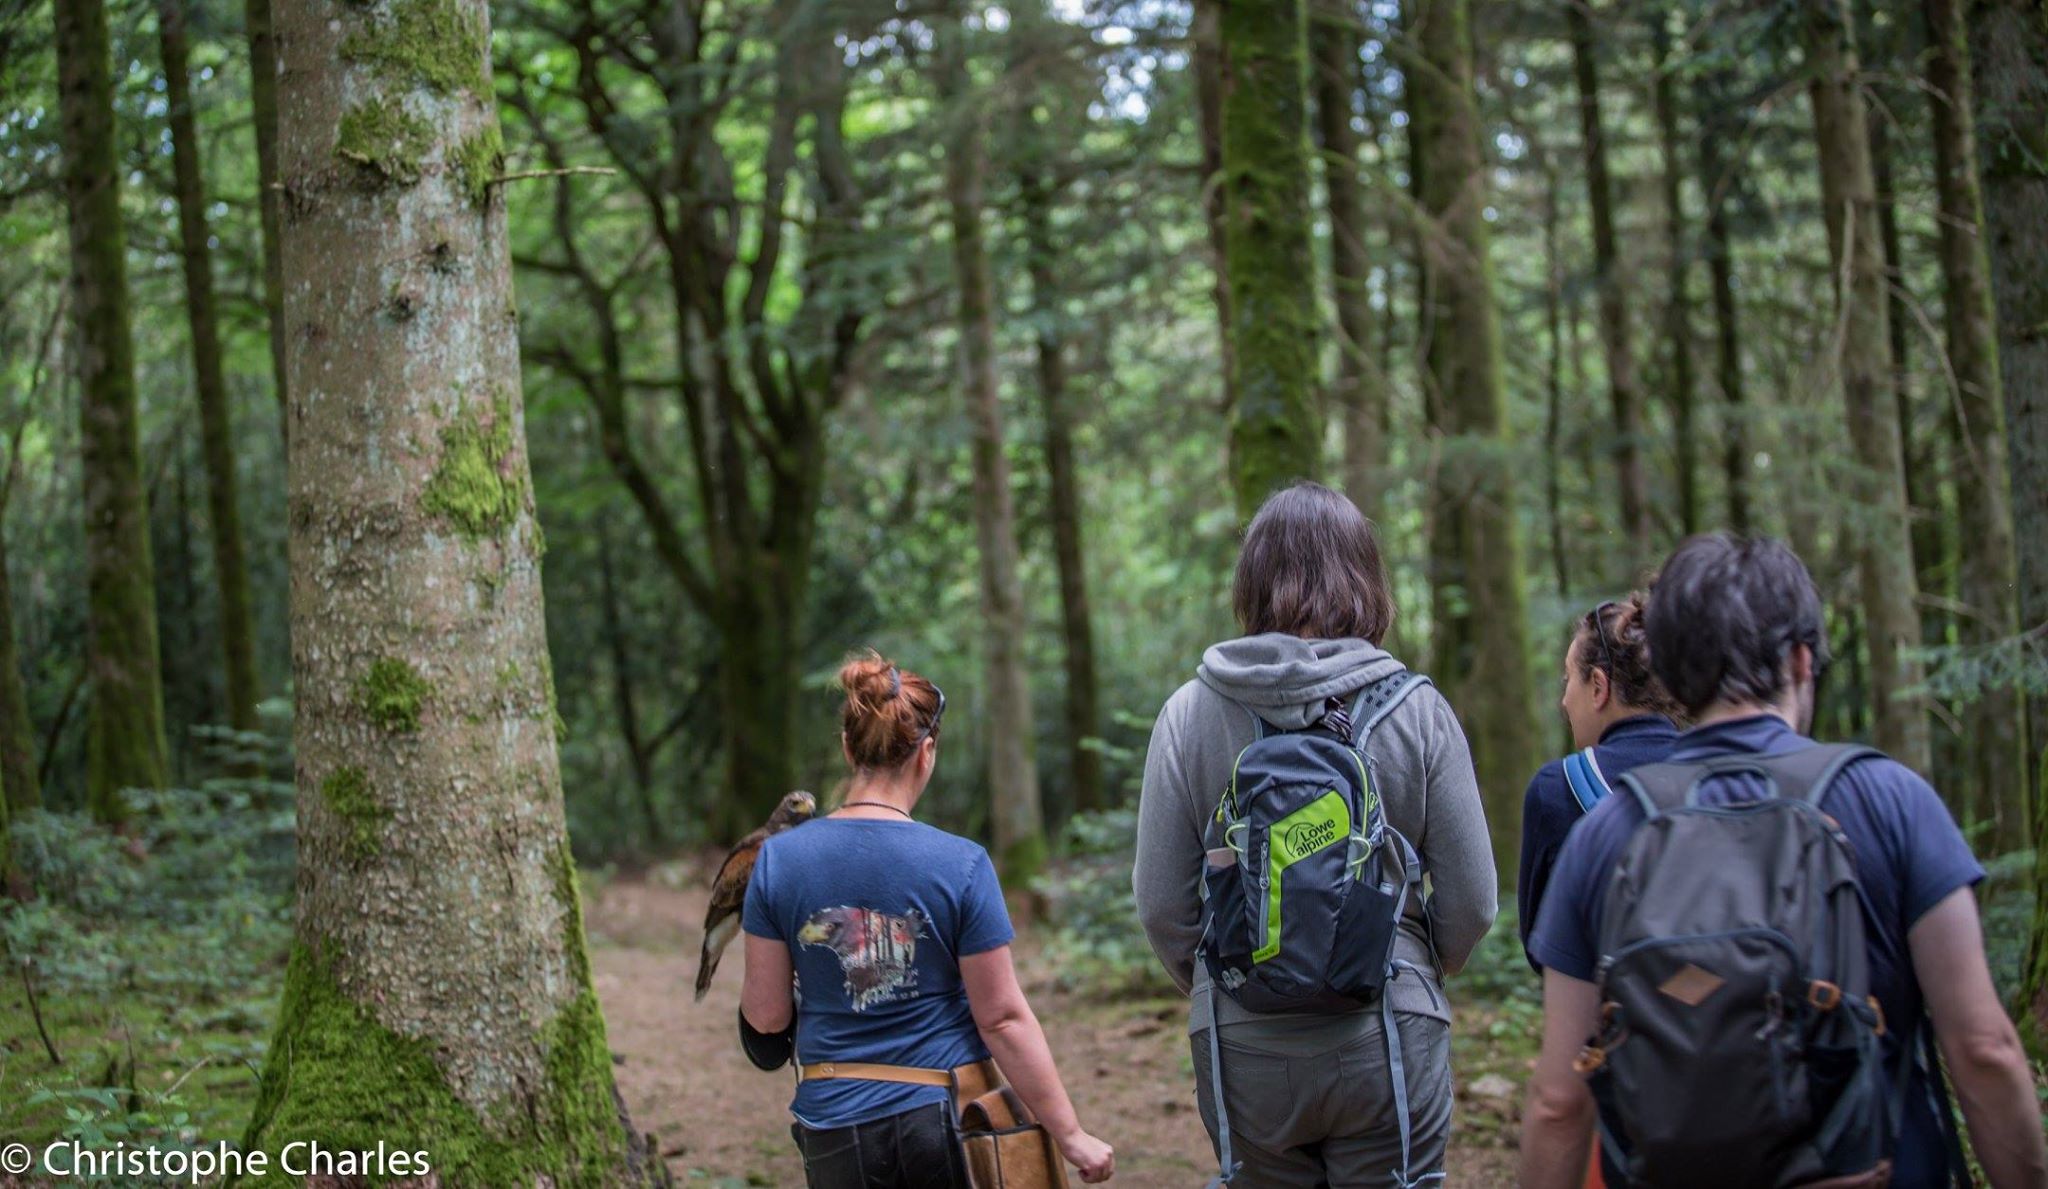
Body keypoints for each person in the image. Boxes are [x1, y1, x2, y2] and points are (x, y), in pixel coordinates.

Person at [1518, 535, 2048, 1189]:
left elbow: (1558, 1100)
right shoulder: (1891, 799)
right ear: (1801, 660)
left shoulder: (1606, 829)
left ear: (1675, 670)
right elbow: (1985, 1048)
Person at [1133, 481, 1498, 1187]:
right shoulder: (1419, 711)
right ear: (1367, 581)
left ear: (1252, 583)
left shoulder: (1188, 712)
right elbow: (1475, 900)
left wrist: (1231, 977)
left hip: (1243, 1037)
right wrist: (1416, 962)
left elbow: (1159, 904)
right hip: (1388, 1019)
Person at [741, 651, 1115, 1188]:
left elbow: (767, 1016)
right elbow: (1003, 1018)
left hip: (831, 1121)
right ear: (927, 753)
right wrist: (1071, 1134)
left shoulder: (778, 859)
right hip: (942, 1115)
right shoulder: (961, 864)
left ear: (848, 749)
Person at [1516, 593, 1682, 970]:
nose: (1563, 700)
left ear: (1598, 686)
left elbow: (1542, 949)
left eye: (1568, 679)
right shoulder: (1718, 774)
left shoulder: (1557, 789)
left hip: (1605, 1017)